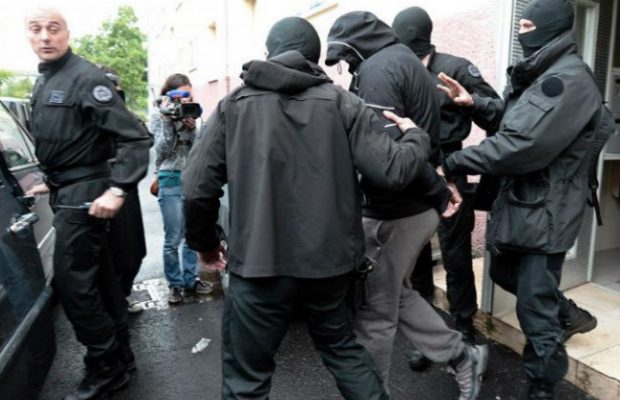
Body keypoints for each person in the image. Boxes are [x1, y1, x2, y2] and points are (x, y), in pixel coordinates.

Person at [183, 16, 433, 400]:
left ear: (270, 52)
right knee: (344, 352)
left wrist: (205, 243)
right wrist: (415, 135)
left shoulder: (233, 105)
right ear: (315, 58)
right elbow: (393, 170)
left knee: (246, 381)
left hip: (257, 267)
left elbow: (198, 186)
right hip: (329, 268)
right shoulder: (343, 102)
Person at [437, 0, 599, 397]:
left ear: (551, 27)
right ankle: (569, 313)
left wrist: (452, 159)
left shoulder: (568, 80)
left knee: (533, 308)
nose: (520, 33)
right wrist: (475, 105)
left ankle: (542, 387)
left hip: (548, 209)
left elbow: (519, 145)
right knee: (503, 273)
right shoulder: (540, 75)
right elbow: (516, 122)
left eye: (526, 25)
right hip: (526, 204)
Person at [325, 11, 487, 399]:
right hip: (412, 203)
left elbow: (385, 164)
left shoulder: (379, 70)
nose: (347, 67)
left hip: (394, 209)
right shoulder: (401, 61)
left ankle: (372, 392)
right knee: (395, 292)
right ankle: (461, 355)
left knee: (375, 313)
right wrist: (437, 189)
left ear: (356, 47)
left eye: (346, 58)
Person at [24, 6, 151, 400]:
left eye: (53, 28)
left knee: (72, 285)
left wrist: (117, 189)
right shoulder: (45, 81)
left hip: (86, 196)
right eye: (36, 29)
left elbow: (134, 137)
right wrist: (50, 179)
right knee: (100, 283)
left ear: (66, 33)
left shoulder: (85, 77)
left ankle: (104, 367)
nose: (45, 37)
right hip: (67, 189)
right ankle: (121, 359)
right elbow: (71, 139)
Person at [392, 5, 502, 370]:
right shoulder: (398, 71)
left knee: (455, 258)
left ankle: (464, 332)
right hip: (413, 174)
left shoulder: (454, 67)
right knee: (418, 259)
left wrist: (469, 106)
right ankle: (431, 339)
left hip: (451, 172)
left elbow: (497, 114)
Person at [150, 73, 213, 304]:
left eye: (188, 95)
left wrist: (190, 126)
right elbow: (163, 150)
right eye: (181, 95)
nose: (185, 100)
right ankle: (174, 285)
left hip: (190, 178)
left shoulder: (190, 113)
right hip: (169, 178)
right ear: (170, 95)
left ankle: (191, 279)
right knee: (173, 238)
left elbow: (194, 150)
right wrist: (169, 121)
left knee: (190, 236)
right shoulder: (159, 116)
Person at [99, 65, 148, 315]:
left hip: (125, 195)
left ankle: (122, 296)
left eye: (116, 90)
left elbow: (143, 140)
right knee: (106, 259)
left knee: (134, 254)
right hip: (96, 195)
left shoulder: (125, 118)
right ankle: (111, 304)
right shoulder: (85, 119)